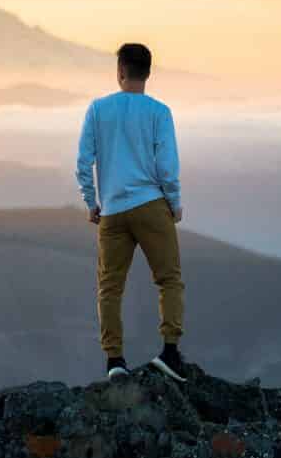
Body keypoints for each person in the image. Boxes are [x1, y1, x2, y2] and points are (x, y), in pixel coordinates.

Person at [76, 43, 187, 382]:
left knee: (110, 287)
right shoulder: (159, 112)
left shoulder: (98, 109)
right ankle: (169, 351)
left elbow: (83, 162)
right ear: (148, 73)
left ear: (120, 71)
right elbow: (167, 166)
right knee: (168, 279)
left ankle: (114, 361)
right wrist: (175, 203)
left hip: (112, 211)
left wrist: (92, 201)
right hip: (151, 205)